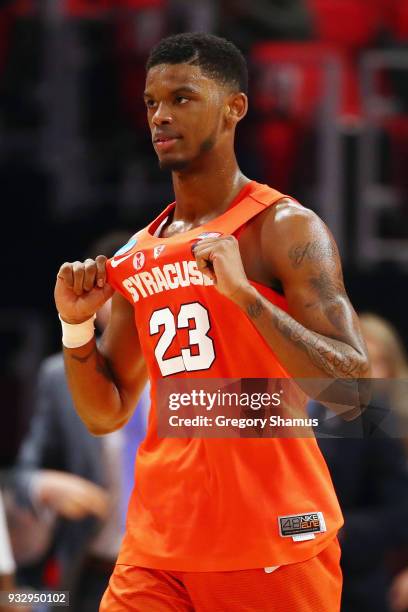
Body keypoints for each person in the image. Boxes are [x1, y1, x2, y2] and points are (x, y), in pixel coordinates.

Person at [54, 33, 370, 611]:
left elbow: (352, 390)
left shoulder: (284, 227)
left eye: (182, 97)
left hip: (270, 536)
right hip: (157, 546)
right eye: (151, 102)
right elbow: (107, 412)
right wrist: (76, 330)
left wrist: (247, 297)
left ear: (235, 107)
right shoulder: (136, 254)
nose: (161, 116)